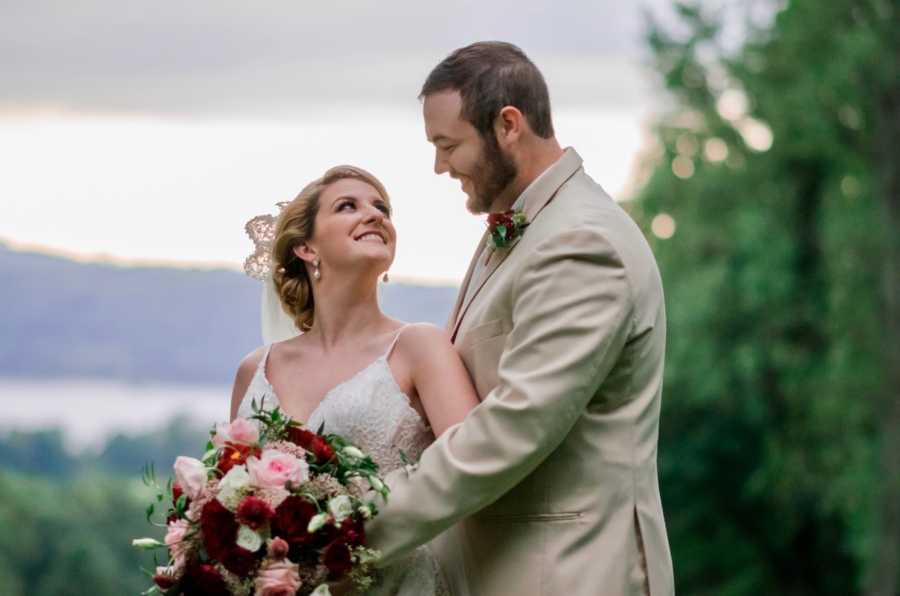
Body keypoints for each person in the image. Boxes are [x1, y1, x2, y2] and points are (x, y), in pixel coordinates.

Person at [363, 41, 675, 596]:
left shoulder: (583, 242)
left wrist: (354, 527)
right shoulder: (519, 228)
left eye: (447, 145)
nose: (439, 167)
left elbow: (512, 427)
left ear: (508, 124)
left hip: (571, 574)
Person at [233, 164, 479, 595]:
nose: (375, 215)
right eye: (348, 206)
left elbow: (476, 471)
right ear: (307, 248)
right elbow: (238, 508)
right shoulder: (255, 371)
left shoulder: (419, 348)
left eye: (382, 208)